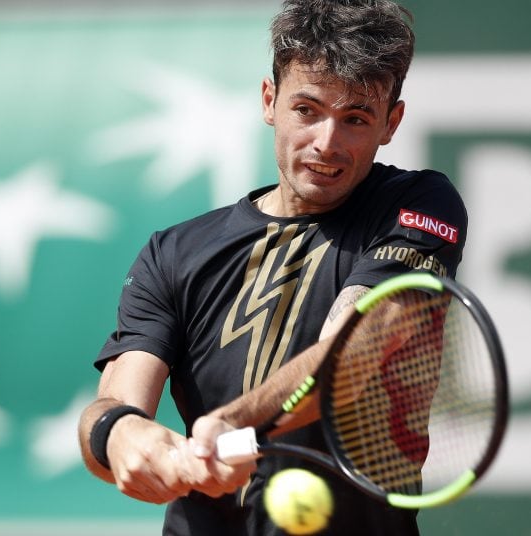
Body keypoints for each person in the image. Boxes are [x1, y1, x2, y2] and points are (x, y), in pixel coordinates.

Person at [78, 0, 468, 534]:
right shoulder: (173, 252)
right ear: (269, 100)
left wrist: (232, 423)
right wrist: (122, 436)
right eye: (307, 110)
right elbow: (113, 405)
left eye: (355, 118)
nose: (326, 143)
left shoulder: (418, 204)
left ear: (390, 123)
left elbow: (353, 354)